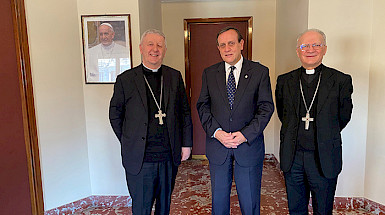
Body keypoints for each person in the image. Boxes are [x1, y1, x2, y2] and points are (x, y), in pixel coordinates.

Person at [109, 29, 193, 215]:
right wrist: (128, 139)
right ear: (141, 48)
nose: (155, 49)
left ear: (164, 50)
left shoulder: (174, 76)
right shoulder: (126, 79)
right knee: (142, 207)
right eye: (150, 44)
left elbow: (184, 112)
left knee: (164, 206)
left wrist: (186, 144)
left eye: (159, 45)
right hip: (140, 158)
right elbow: (115, 114)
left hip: (168, 156)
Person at [196, 26, 274, 215]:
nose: (227, 48)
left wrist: (245, 135)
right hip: (218, 146)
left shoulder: (259, 72)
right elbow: (203, 106)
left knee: (250, 202)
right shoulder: (209, 73)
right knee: (219, 202)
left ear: (241, 44)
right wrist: (217, 133)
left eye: (231, 43)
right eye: (222, 45)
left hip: (248, 147)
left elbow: (266, 108)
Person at [275, 29, 353, 215]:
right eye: (304, 46)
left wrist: (325, 133)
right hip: (293, 157)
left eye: (316, 45)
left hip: (323, 157)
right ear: (297, 50)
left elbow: (343, 116)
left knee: (323, 210)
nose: (310, 49)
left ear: (324, 49)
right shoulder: (285, 81)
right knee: (295, 209)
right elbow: (283, 114)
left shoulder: (340, 80)